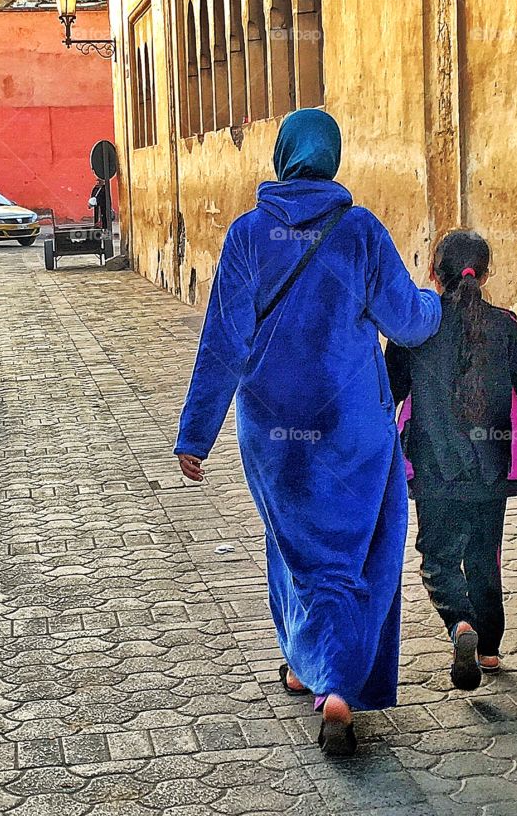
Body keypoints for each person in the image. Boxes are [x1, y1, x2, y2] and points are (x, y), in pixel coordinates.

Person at [174, 109, 440, 756]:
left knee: (295, 548)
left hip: (272, 432)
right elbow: (409, 324)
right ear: (332, 158)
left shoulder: (246, 237)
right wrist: (435, 299)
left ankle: (306, 666)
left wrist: (195, 434)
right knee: (352, 555)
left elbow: (222, 344)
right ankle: (339, 688)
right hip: (350, 428)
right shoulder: (360, 232)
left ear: (283, 157)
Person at [384, 229, 517, 691]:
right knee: (484, 555)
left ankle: (461, 626)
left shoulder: (414, 333)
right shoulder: (505, 326)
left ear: (434, 275)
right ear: (486, 274)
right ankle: (490, 650)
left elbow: (387, 396)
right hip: (491, 469)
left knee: (436, 557)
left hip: (433, 467)